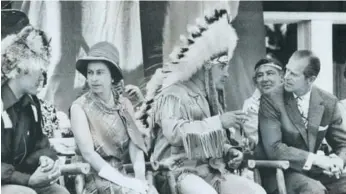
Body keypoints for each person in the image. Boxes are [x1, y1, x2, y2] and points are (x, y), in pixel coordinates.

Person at [149, 9, 266, 194]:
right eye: (222, 67)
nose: (227, 74)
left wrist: (229, 151)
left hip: (211, 172)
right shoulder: (172, 94)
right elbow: (175, 134)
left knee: (256, 192)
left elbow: (207, 141)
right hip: (178, 172)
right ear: (206, 67)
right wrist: (219, 121)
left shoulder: (209, 99)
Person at [70, 41, 158, 194]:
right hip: (95, 179)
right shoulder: (79, 107)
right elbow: (89, 155)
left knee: (150, 192)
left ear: (112, 76)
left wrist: (140, 178)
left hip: (122, 174)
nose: (94, 78)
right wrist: (125, 183)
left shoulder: (124, 104)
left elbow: (135, 144)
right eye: (90, 73)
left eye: (100, 72)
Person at [258, 50, 346, 194]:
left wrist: (338, 162)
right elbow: (274, 149)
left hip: (314, 172)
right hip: (281, 170)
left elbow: (343, 144)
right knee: (313, 190)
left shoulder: (328, 102)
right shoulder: (270, 99)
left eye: (293, 74)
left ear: (310, 79)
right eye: (287, 70)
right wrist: (316, 159)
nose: (286, 77)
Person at [1, 9, 69, 194]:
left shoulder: (31, 104)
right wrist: (28, 180)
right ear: (21, 67)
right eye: (39, 69)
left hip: (18, 178)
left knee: (60, 192)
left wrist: (45, 160)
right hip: (7, 181)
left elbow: (41, 145)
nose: (43, 78)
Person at [242, 58, 284, 150]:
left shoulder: (295, 99)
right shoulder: (250, 106)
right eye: (260, 75)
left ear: (281, 77)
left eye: (270, 73)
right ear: (255, 81)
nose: (265, 79)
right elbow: (255, 139)